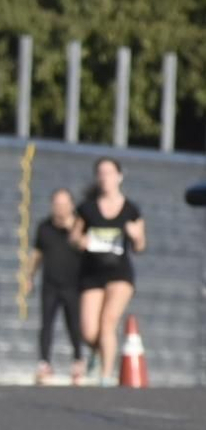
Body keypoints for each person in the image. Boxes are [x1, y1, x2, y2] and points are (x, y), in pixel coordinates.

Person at [71, 156, 145, 386]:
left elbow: (141, 246)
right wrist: (79, 241)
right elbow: (74, 236)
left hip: (119, 273)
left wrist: (136, 235)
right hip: (92, 272)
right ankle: (98, 350)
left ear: (119, 177)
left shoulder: (131, 209)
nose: (105, 178)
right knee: (89, 330)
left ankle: (105, 375)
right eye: (101, 173)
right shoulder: (87, 208)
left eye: (110, 173)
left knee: (108, 322)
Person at [26, 188, 83, 385]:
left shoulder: (79, 226)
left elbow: (89, 250)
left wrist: (72, 230)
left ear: (71, 206)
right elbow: (37, 254)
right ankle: (44, 363)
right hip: (50, 283)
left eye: (64, 204)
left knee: (74, 325)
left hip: (73, 284)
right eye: (56, 204)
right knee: (46, 324)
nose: (60, 209)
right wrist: (29, 276)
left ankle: (78, 361)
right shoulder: (44, 227)